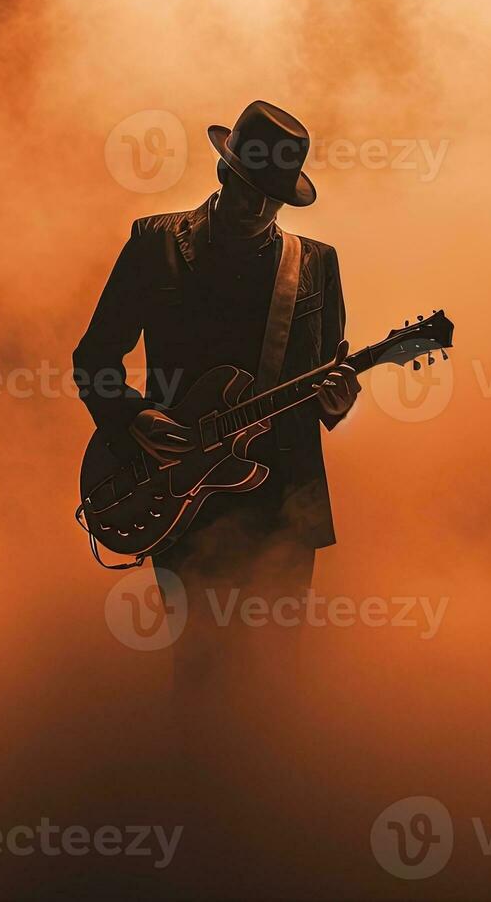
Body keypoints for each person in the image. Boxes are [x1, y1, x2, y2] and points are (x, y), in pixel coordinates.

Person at [73, 100, 360, 693]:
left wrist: (338, 402)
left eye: (271, 196)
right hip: (179, 487)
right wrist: (134, 418)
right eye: (247, 188)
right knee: (199, 668)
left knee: (278, 675)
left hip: (284, 501)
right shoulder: (154, 243)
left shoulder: (316, 265)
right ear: (223, 172)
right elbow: (93, 360)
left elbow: (325, 385)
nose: (257, 208)